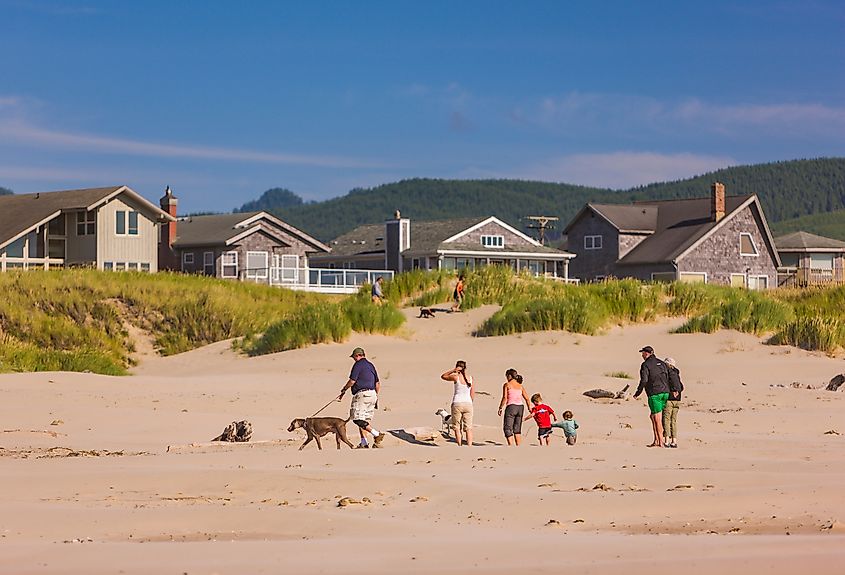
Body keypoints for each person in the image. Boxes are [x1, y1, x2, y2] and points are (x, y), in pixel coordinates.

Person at [338, 347, 386, 448]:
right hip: (372, 394)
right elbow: (377, 383)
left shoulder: (358, 365)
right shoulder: (371, 365)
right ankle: (364, 443)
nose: (354, 359)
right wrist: (375, 396)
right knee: (363, 420)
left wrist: (344, 389)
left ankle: (376, 434)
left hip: (362, 394)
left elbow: (352, 381)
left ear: (358, 355)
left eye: (354, 357)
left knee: (356, 419)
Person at [633, 345, 670, 448]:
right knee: (653, 416)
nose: (642, 355)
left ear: (646, 353)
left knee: (657, 417)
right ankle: (657, 440)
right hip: (665, 392)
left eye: (643, 353)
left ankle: (660, 442)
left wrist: (638, 392)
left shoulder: (645, 365)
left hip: (655, 393)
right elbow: (668, 376)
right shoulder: (662, 363)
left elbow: (644, 380)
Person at [440, 360, 475, 446]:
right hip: (468, 403)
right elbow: (472, 393)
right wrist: (470, 401)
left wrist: (453, 370)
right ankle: (469, 445)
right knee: (468, 427)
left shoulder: (456, 377)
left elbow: (443, 376)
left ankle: (459, 444)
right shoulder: (470, 378)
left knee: (456, 427)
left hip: (457, 403)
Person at [497, 369, 531, 446]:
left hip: (511, 406)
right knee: (517, 428)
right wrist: (529, 408)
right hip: (520, 407)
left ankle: (511, 445)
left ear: (509, 376)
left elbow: (505, 397)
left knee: (508, 428)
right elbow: (527, 398)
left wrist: (500, 407)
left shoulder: (507, 385)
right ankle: (518, 446)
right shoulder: (520, 386)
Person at [662, 357, 684, 448]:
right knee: (673, 421)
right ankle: (674, 441)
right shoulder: (677, 373)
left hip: (670, 399)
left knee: (666, 420)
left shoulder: (668, 373)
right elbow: (681, 387)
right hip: (678, 400)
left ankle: (667, 441)